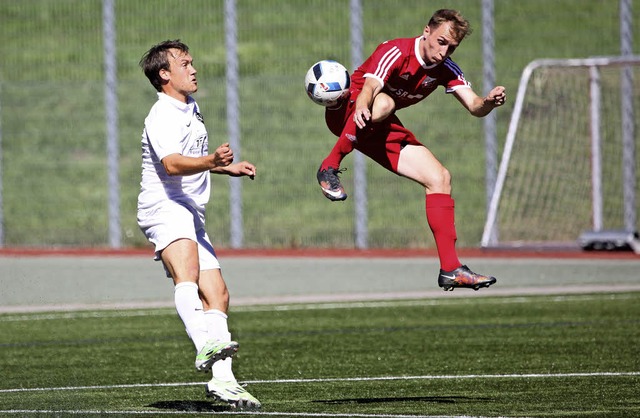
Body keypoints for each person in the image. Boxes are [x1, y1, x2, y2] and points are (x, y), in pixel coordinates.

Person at [316, 9, 505, 291]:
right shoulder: (396, 51)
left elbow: (475, 107)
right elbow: (370, 86)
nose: (444, 52)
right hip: (350, 110)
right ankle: (329, 165)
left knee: (439, 177)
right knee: (384, 104)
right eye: (441, 42)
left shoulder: (446, 69)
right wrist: (364, 107)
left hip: (378, 126)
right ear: (426, 31)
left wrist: (489, 101)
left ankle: (451, 269)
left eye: (452, 47)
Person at [137, 40, 260, 409]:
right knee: (187, 272)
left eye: (192, 62)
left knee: (218, 294)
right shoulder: (162, 114)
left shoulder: (190, 106)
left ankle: (223, 381)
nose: (193, 69)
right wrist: (210, 160)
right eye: (184, 63)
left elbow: (191, 159)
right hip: (164, 204)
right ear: (164, 74)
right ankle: (203, 343)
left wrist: (226, 167)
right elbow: (173, 164)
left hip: (188, 209)